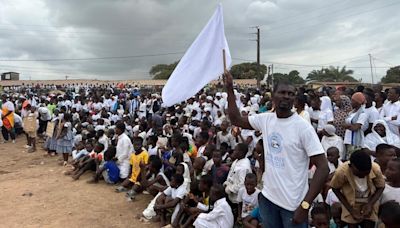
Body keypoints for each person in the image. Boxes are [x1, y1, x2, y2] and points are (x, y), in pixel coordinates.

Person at [224, 71, 329, 227]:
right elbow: (236, 119)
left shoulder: (303, 128)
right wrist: (230, 89)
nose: (286, 96)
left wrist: (305, 205)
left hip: (293, 206)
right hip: (268, 200)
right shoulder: (266, 119)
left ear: (294, 99)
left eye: (290, 94)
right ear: (273, 96)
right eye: (282, 92)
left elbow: (323, 168)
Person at [330, 149, 385, 228]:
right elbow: (335, 188)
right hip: (350, 203)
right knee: (352, 224)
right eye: (359, 174)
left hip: (370, 201)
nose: (363, 177)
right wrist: (350, 210)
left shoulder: (375, 168)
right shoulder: (341, 172)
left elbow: (381, 186)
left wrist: (370, 204)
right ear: (351, 166)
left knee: (369, 224)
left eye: (366, 173)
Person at [342, 92, 368, 159]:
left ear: (358, 102)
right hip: (348, 139)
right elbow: (345, 124)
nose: (351, 102)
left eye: (353, 100)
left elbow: (356, 128)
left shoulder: (363, 113)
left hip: (355, 141)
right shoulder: (351, 112)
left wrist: (346, 126)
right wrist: (350, 125)